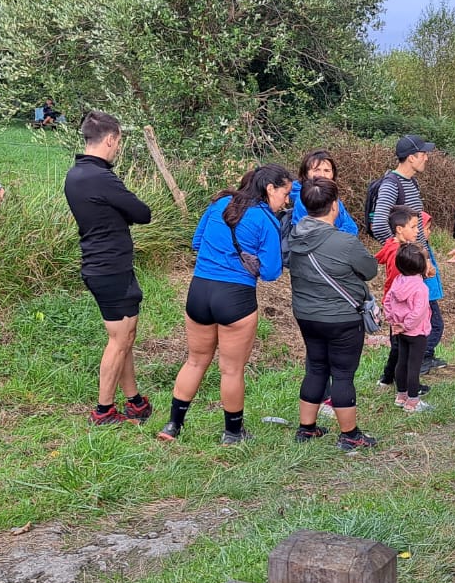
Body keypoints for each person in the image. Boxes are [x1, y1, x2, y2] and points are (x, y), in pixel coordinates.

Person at [159, 164, 293, 445]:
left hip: (199, 291)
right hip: (235, 297)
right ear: (270, 189)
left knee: (195, 361)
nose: (287, 200)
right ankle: (232, 433)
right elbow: (271, 272)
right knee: (231, 370)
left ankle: (173, 426)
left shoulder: (220, 203)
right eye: (285, 192)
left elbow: (197, 242)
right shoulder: (266, 220)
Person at [63, 111, 153, 426]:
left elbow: (108, 212)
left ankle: (135, 401)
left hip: (97, 263)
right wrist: (124, 214)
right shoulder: (102, 177)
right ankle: (104, 411)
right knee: (119, 339)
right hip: (111, 267)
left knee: (124, 336)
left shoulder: (76, 174)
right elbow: (142, 213)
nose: (117, 149)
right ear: (111, 139)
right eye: (118, 143)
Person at [284, 179, 380, 452]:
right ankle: (350, 434)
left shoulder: (294, 237)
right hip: (341, 318)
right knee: (342, 374)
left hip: (306, 315)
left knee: (315, 366)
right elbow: (369, 270)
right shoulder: (345, 242)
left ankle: (306, 428)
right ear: (335, 206)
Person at [376, 204, 436, 392]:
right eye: (414, 227)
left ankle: (389, 378)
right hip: (402, 308)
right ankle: (405, 386)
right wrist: (421, 275)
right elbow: (401, 282)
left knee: (398, 346)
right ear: (400, 229)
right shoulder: (397, 253)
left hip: (397, 308)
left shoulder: (398, 247)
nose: (417, 231)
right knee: (401, 349)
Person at [384, 243, 433, 413]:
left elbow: (387, 301)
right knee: (414, 366)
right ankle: (413, 401)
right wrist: (406, 325)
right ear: (421, 265)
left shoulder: (398, 281)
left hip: (400, 331)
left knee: (402, 362)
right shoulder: (421, 288)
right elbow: (419, 312)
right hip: (416, 332)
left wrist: (394, 322)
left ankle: (401, 395)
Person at [369, 134, 432, 244]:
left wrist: (423, 254)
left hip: (417, 255)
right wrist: (399, 251)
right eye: (423, 154)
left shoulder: (412, 182)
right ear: (411, 158)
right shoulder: (391, 185)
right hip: (406, 259)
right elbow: (379, 225)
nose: (426, 158)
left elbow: (418, 226)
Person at [290, 149, 359, 234]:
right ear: (306, 173)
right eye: (316, 170)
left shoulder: (330, 194)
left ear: (333, 174)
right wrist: (343, 237)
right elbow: (313, 236)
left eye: (327, 171)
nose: (322, 175)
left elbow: (352, 227)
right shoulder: (304, 199)